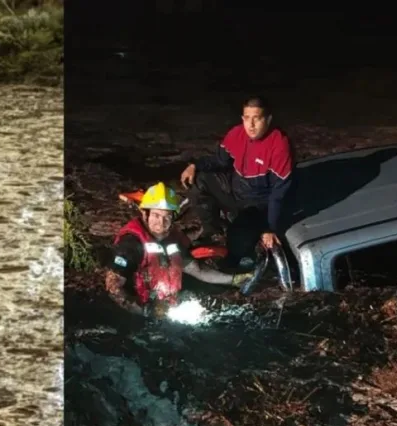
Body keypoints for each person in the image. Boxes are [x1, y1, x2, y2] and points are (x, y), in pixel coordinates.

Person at [105, 182, 254, 318]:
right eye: (156, 215)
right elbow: (113, 287)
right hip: (140, 313)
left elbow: (197, 270)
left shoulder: (172, 238)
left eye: (167, 216)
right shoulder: (131, 243)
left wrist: (234, 280)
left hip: (168, 307)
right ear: (145, 214)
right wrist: (146, 311)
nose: (161, 222)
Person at [180, 95, 294, 256]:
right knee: (199, 180)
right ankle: (212, 232)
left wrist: (269, 228)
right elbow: (219, 160)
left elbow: (279, 194)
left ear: (268, 120)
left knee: (237, 242)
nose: (251, 125)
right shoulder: (237, 134)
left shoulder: (279, 145)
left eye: (257, 118)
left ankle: (239, 239)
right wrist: (195, 165)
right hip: (234, 188)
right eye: (247, 118)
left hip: (256, 204)